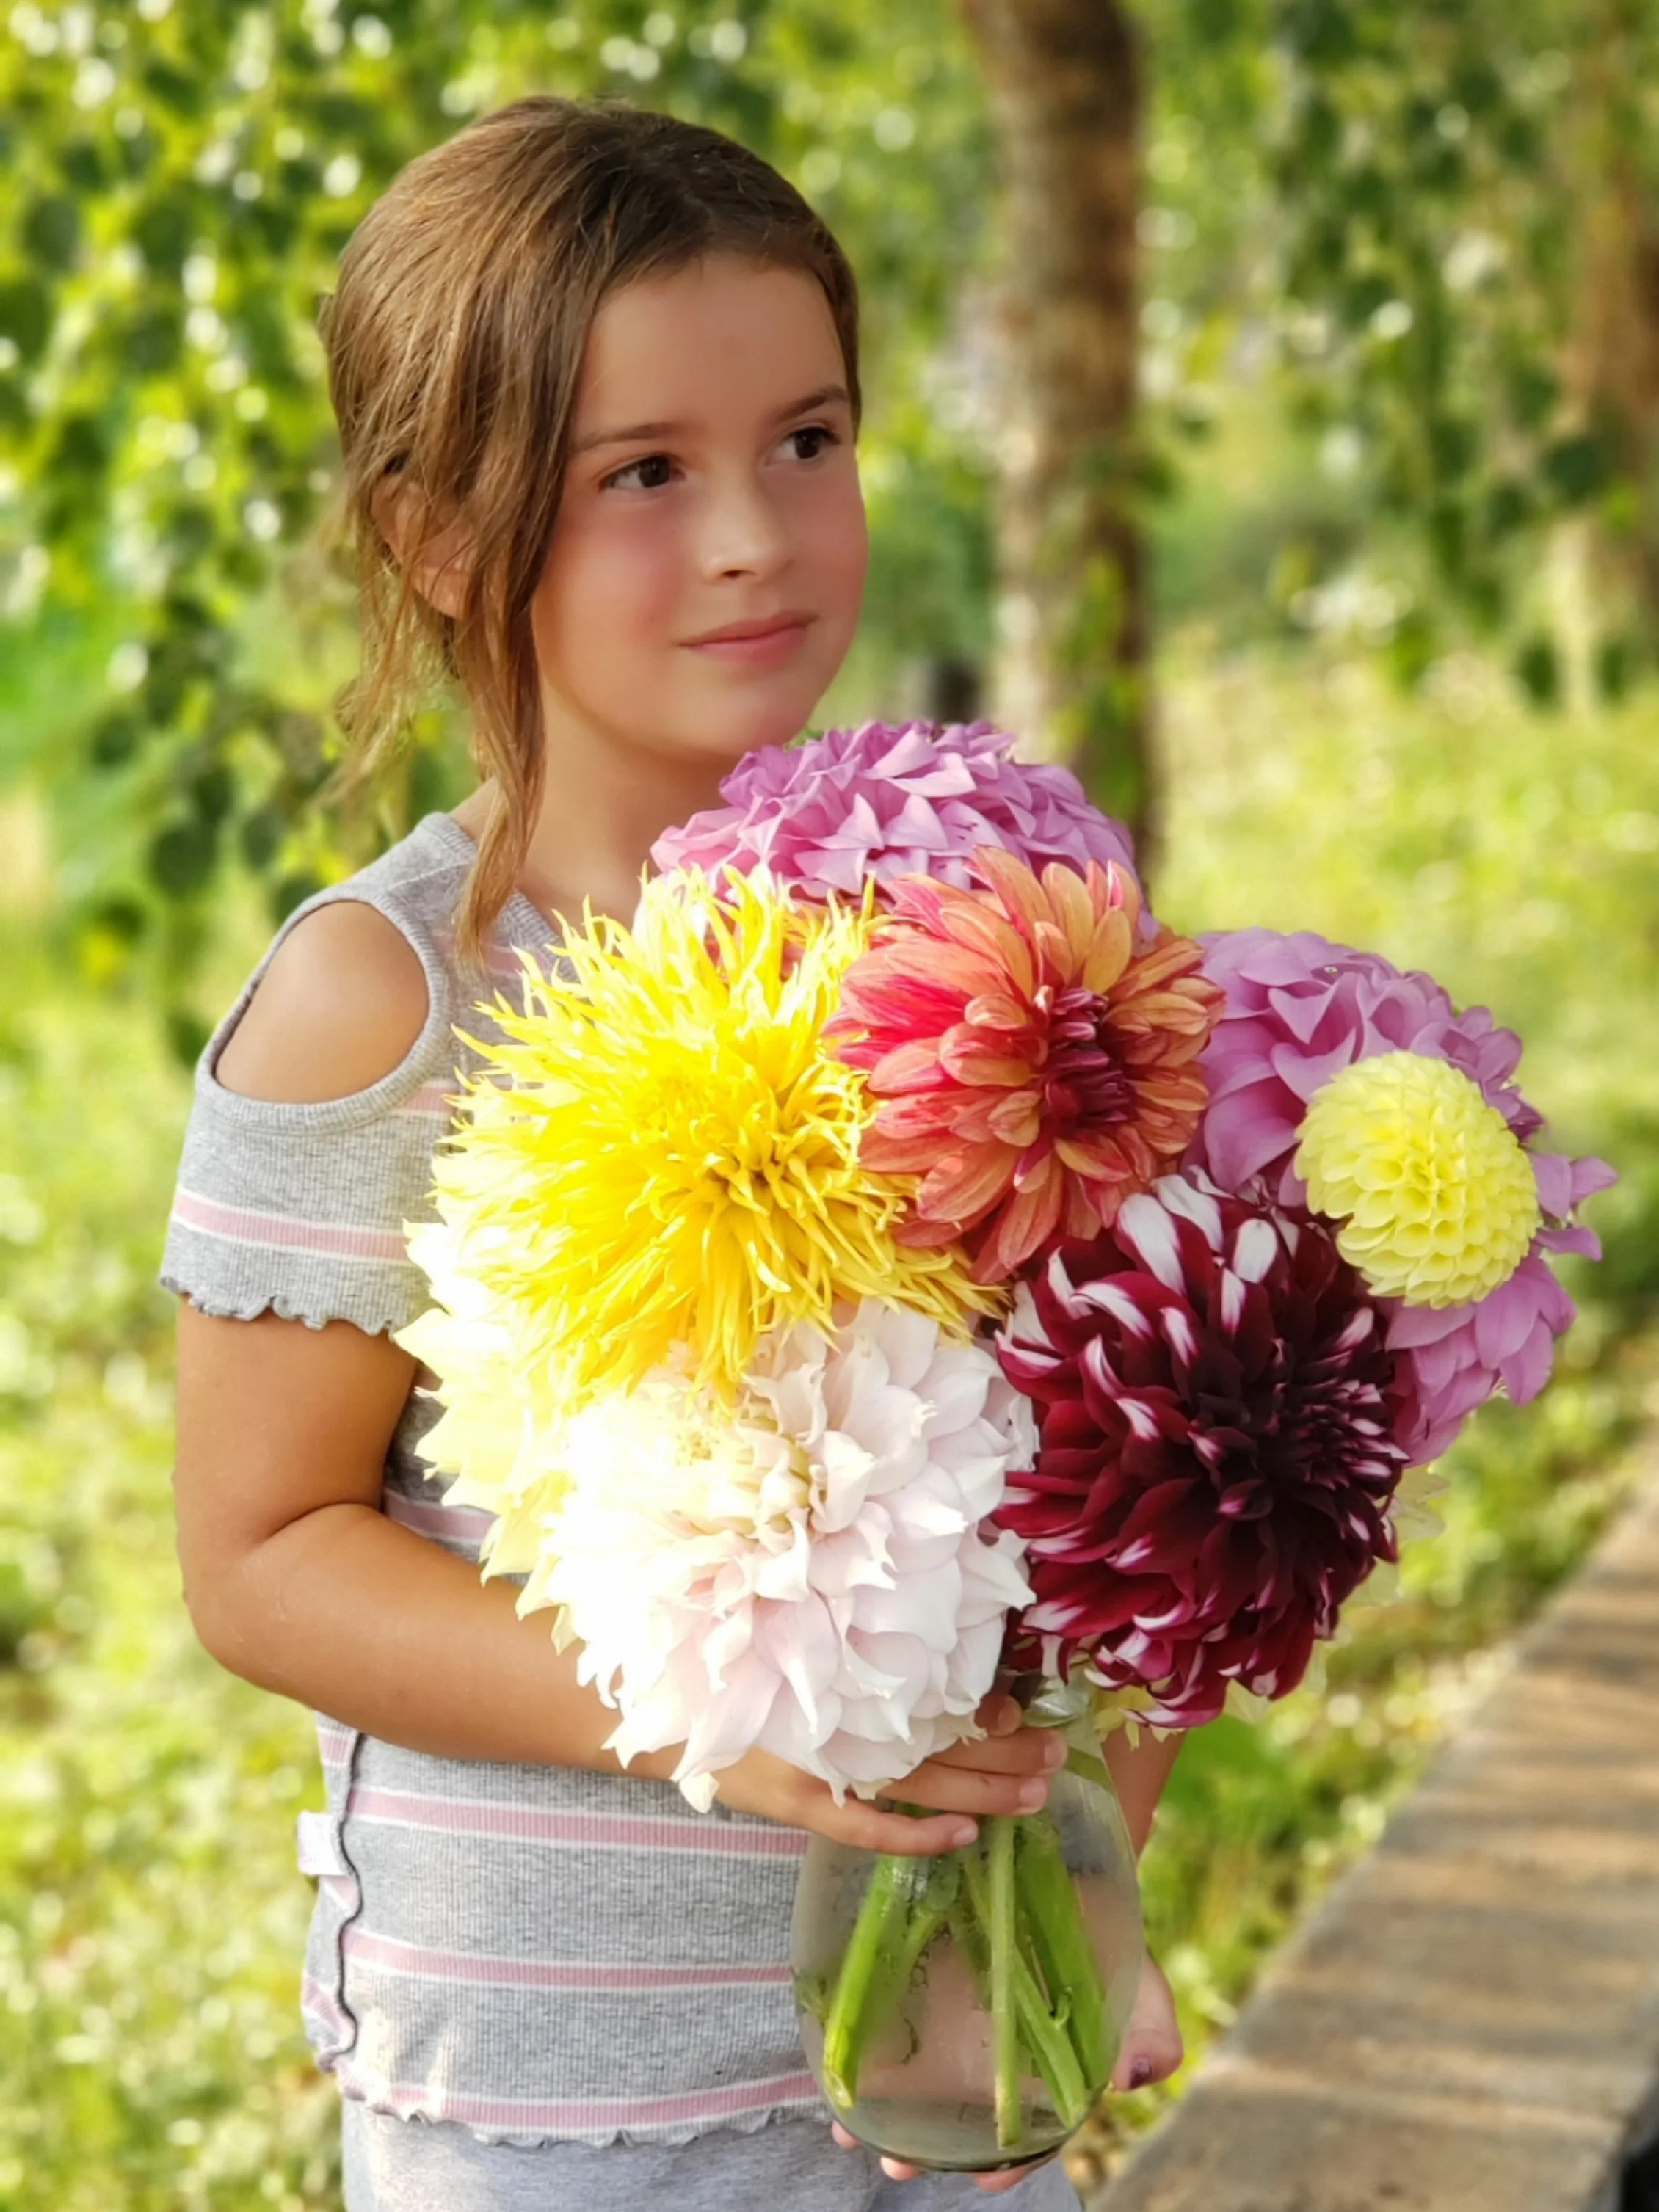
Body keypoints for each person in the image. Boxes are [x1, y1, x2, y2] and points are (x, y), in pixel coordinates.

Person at [163, 95, 1183, 2212]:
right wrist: (712, 1720)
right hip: (565, 2097)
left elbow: (1095, 1464)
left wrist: (1094, 1830)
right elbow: (260, 1554)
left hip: (953, 2046)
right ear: (442, 536)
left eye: (806, 439)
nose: (755, 531)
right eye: (645, 473)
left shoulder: (979, 950)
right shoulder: (392, 998)